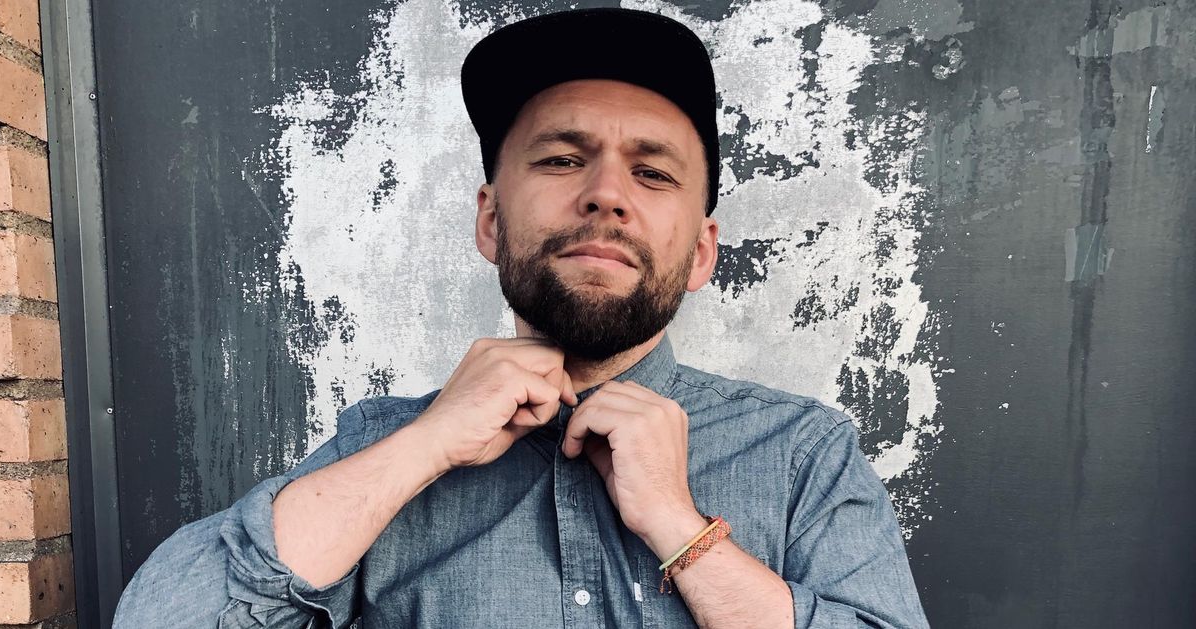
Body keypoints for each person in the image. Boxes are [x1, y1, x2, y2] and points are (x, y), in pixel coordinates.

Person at [113, 8, 928, 628]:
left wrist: (679, 527)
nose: (605, 193)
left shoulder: (803, 454)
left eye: (652, 173)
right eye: (563, 159)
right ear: (491, 221)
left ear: (702, 252)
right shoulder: (385, 446)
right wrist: (425, 445)